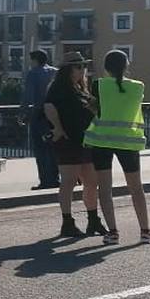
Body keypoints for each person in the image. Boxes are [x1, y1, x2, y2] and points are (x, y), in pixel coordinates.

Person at [85, 49, 150, 246]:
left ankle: (113, 233)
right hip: (128, 142)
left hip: (101, 141)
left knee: (105, 189)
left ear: (106, 67)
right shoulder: (138, 87)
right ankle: (145, 231)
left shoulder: (98, 85)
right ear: (126, 66)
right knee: (136, 188)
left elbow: (95, 108)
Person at [43, 52, 104, 239]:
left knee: (91, 182)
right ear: (68, 69)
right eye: (78, 67)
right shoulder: (58, 88)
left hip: (86, 140)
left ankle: (93, 219)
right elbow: (49, 107)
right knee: (68, 182)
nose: (82, 70)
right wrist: (59, 128)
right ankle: (67, 222)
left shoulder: (80, 89)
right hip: (68, 141)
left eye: (83, 66)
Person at [23, 50, 60, 191]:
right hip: (55, 115)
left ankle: (46, 180)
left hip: (39, 116)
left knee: (41, 149)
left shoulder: (33, 73)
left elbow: (28, 96)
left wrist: (23, 113)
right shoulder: (55, 72)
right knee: (53, 148)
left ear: (35, 60)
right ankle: (56, 178)